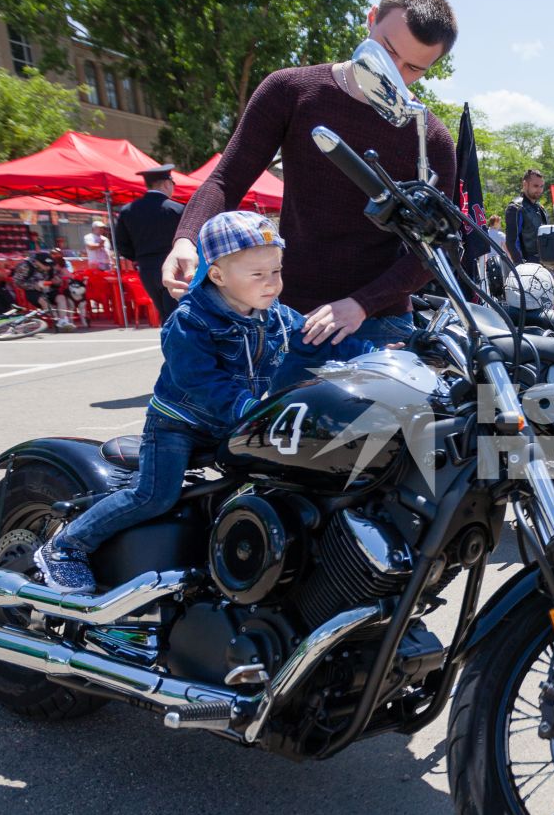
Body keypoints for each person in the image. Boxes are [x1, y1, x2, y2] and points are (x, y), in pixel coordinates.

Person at [35, 213, 354, 593]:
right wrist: (250, 412)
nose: (272, 283)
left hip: (235, 421)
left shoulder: (275, 316)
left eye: (277, 271)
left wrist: (378, 353)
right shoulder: (190, 321)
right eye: (258, 275)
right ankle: (67, 546)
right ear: (217, 276)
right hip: (178, 425)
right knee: (155, 495)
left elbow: (316, 340)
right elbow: (199, 381)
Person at [168, 0, 460, 352]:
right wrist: (185, 240)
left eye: (414, 68)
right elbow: (226, 179)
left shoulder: (430, 137)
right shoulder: (291, 90)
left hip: (380, 324)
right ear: (371, 19)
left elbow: (433, 251)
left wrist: (361, 304)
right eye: (387, 51)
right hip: (288, 316)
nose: (394, 72)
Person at [114, 165, 186, 322]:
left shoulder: (128, 210)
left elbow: (122, 245)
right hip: (174, 266)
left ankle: (169, 344)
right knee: (178, 314)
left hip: (146, 267)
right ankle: (175, 345)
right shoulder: (177, 209)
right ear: (167, 183)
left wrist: (140, 256)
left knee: (165, 315)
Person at [503, 169, 547, 264]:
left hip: (543, 265)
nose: (539, 190)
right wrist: (522, 266)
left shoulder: (540, 209)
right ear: (525, 184)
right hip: (526, 266)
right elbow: (512, 243)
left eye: (541, 186)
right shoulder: (515, 208)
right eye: (535, 186)